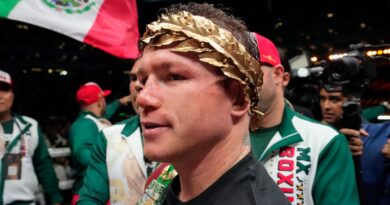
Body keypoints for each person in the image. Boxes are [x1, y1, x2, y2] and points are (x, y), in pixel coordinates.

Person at [136, 3, 290, 205]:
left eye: (175, 76)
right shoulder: (162, 183)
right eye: (143, 80)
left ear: (237, 99)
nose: (143, 98)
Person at [250, 33, 359, 205]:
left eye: (248, 70)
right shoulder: (214, 135)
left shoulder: (324, 140)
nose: (238, 81)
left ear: (279, 75)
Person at [76, 60, 153, 205]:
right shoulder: (104, 134)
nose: (137, 84)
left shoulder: (99, 121)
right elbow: (82, 155)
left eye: (145, 78)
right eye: (134, 78)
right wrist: (104, 157)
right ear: (99, 102)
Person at [0, 70, 63, 204]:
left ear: (12, 95)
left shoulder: (30, 126)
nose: (0, 95)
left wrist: (55, 199)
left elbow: (43, 166)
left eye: (4, 90)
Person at [320, 85, 390, 205]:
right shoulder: (313, 136)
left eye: (335, 99)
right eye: (322, 98)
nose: (326, 106)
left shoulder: (378, 135)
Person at [68, 81, 132, 204]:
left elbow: (106, 113)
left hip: (101, 194)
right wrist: (118, 158)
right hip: (91, 196)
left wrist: (119, 102)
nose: (106, 103)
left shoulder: (93, 121)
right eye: (104, 99)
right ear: (99, 101)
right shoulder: (84, 125)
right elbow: (82, 155)